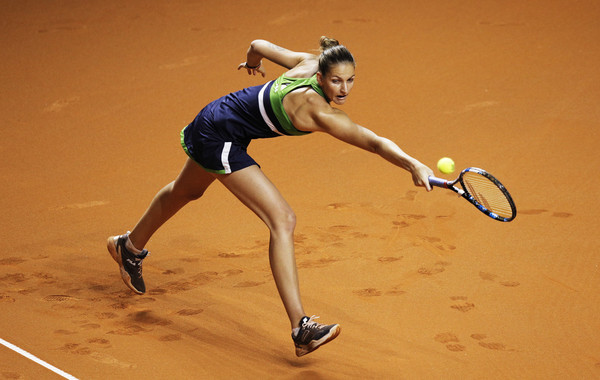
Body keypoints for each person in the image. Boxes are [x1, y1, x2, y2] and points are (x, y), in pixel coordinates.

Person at [107, 37, 434, 357]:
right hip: (220, 136)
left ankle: (128, 246)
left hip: (219, 115)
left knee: (186, 191)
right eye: (336, 81)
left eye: (350, 80)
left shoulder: (307, 62)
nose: (344, 89)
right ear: (321, 77)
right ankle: (301, 329)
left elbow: (259, 44)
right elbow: (374, 142)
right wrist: (413, 164)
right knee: (282, 219)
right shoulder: (319, 112)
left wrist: (252, 63)